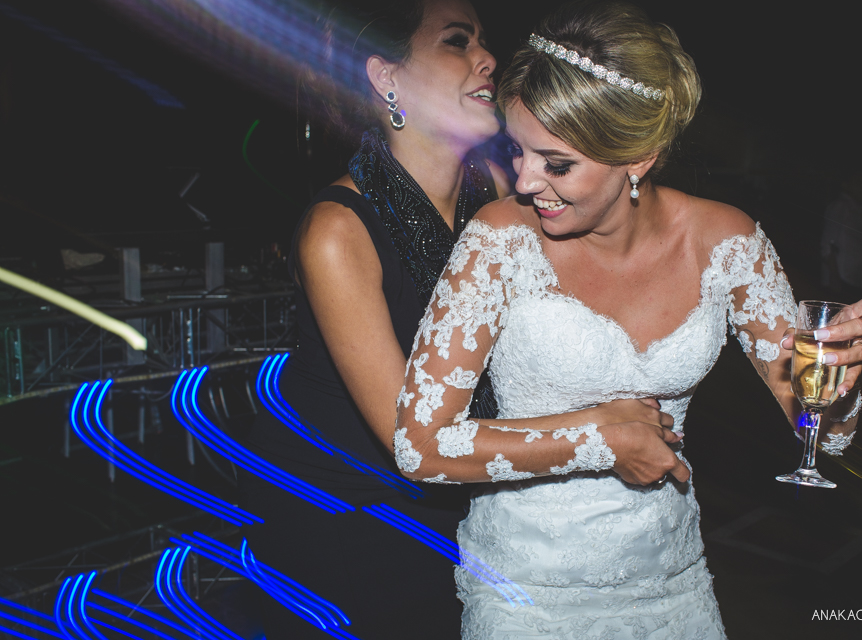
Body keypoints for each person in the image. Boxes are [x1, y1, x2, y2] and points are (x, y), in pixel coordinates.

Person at [393, 1, 862, 637]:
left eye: (556, 164)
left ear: (637, 159)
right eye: (518, 150)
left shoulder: (728, 243)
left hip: (672, 587)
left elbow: (824, 436)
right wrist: (597, 439)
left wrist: (838, 377)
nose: (525, 183)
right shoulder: (498, 241)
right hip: (526, 593)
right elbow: (420, 445)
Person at [238, 1, 671, 637]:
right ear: (387, 78)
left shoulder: (502, 190)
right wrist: (599, 433)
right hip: (349, 523)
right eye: (456, 41)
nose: (486, 58)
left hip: (470, 505)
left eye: (483, 41)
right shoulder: (338, 230)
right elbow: (407, 441)